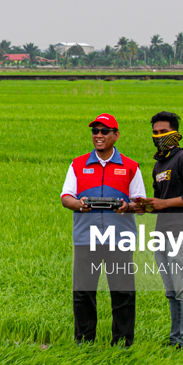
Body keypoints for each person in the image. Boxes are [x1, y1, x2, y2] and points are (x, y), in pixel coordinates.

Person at [60, 112, 147, 345]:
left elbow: (141, 204)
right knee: (83, 293)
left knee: (123, 293)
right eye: (95, 131)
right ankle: (84, 342)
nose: (98, 136)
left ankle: (122, 343)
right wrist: (78, 204)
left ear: (116, 136)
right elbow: (65, 197)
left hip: (119, 239)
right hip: (86, 237)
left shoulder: (130, 167)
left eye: (104, 132)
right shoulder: (77, 164)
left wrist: (126, 207)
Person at [135, 111, 183, 352]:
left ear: (174, 133)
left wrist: (164, 203)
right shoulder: (159, 165)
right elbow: (161, 201)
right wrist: (146, 206)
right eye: (155, 133)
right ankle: (175, 339)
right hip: (162, 234)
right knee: (171, 292)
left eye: (164, 132)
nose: (159, 136)